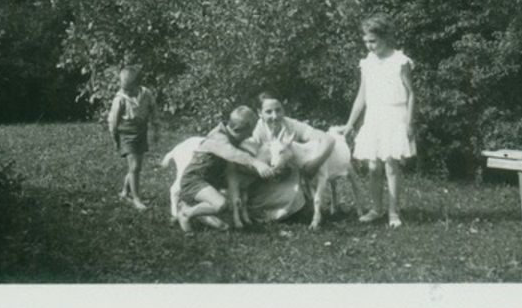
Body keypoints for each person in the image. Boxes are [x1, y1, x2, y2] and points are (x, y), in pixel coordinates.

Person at [336, 14, 416, 227]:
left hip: (394, 116)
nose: (369, 46)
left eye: (373, 41)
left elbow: (411, 94)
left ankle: (393, 212)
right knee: (373, 166)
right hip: (374, 116)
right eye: (366, 42)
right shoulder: (367, 62)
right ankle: (376, 208)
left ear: (386, 38)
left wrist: (410, 123)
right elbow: (361, 96)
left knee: (391, 165)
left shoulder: (400, 61)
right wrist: (350, 123)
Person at [177, 106, 274, 232]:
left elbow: (234, 167)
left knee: (226, 224)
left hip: (209, 182)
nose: (250, 135)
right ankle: (186, 213)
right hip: (194, 180)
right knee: (221, 205)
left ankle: (197, 209)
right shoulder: (218, 137)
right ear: (237, 129)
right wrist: (257, 163)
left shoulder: (232, 137)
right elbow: (232, 153)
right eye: (249, 132)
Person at [245, 93, 335, 222]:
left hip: (290, 177)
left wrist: (315, 164)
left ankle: (297, 206)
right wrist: (261, 166)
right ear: (260, 113)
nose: (275, 116)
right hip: (264, 179)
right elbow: (245, 160)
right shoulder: (255, 130)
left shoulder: (291, 125)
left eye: (278, 110)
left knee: (295, 197)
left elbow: (328, 140)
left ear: (283, 110)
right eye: (268, 112)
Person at [107, 65, 158, 211]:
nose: (126, 92)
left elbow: (153, 110)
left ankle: (125, 192)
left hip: (141, 132)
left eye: (130, 90)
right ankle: (136, 199)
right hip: (126, 133)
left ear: (138, 85)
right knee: (135, 167)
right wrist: (115, 139)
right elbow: (113, 122)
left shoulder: (146, 94)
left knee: (136, 167)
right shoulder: (120, 99)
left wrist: (156, 128)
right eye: (124, 89)